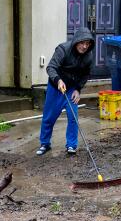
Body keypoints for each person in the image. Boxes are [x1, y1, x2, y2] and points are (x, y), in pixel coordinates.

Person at [37, 28, 95, 156]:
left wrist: (78, 89)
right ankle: (45, 143)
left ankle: (71, 145)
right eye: (82, 43)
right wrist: (58, 81)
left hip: (71, 89)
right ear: (76, 41)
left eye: (87, 43)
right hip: (56, 87)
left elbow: (86, 75)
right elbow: (50, 67)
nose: (85, 46)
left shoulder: (88, 56)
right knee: (49, 117)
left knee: (73, 117)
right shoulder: (62, 49)